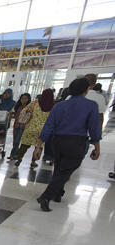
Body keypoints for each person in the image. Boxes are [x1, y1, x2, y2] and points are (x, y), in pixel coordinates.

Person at [35, 77, 101, 212]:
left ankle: (58, 193)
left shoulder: (59, 105)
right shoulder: (91, 105)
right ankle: (46, 196)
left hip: (57, 141)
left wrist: (39, 145)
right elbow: (94, 127)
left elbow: (49, 126)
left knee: (60, 167)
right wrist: (97, 146)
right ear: (86, 90)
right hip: (76, 142)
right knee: (66, 170)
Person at [14, 88, 54, 168]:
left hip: (30, 128)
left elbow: (24, 111)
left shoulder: (35, 103)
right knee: (38, 147)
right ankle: (33, 162)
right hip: (43, 130)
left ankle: (19, 159)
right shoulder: (53, 106)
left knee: (24, 145)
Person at [8, 93, 31, 160]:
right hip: (16, 125)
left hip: (23, 126)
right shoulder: (18, 106)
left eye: (25, 98)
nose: (23, 100)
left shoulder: (29, 107)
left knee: (17, 141)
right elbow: (15, 115)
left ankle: (13, 154)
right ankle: (16, 154)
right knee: (15, 140)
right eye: (22, 98)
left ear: (28, 99)